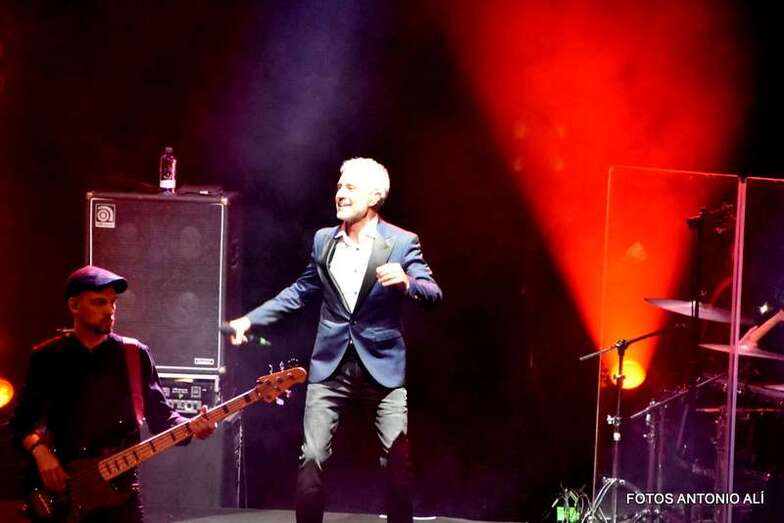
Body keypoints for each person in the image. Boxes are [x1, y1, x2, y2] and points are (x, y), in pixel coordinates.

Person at [228, 157, 442, 523]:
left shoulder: (402, 243)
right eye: (340, 186)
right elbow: (300, 291)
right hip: (331, 365)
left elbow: (433, 293)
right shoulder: (324, 241)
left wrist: (407, 283)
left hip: (383, 368)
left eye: (351, 187)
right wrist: (251, 319)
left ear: (375, 196)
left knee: (397, 461)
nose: (340, 193)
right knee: (312, 458)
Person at [10, 265, 216, 522]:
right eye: (99, 302)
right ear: (74, 306)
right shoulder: (47, 357)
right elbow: (20, 423)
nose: (109, 310)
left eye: (113, 303)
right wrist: (41, 454)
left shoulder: (134, 354)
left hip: (120, 496)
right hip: (63, 494)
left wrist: (191, 425)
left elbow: (162, 416)